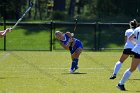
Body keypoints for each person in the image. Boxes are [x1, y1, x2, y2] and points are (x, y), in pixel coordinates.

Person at [116, 23, 140, 91]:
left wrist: (136, 44)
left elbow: (130, 38)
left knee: (132, 68)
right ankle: (120, 84)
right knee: (132, 68)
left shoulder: (137, 29)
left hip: (137, 49)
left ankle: (120, 84)